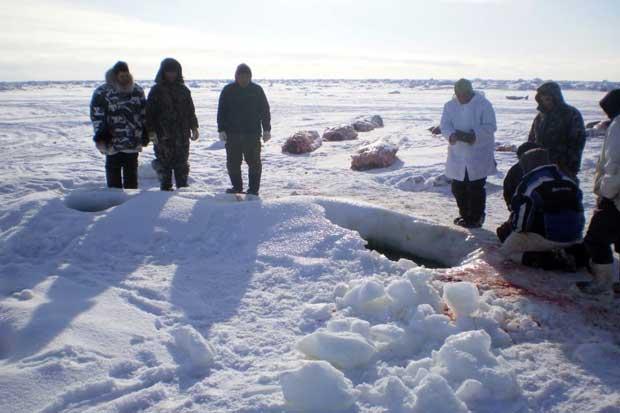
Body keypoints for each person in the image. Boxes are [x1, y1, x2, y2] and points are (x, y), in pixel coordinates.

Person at [500, 148, 585, 271]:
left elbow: (521, 226)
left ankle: (551, 259)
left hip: (548, 238)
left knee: (506, 251)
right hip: (575, 236)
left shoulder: (530, 182)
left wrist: (511, 228)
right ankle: (573, 252)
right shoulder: (568, 179)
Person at [440, 78, 497, 228]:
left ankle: (476, 217)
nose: (461, 97)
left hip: (478, 153)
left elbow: (490, 126)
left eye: (464, 94)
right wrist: (451, 135)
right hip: (457, 153)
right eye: (458, 94)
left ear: (470, 92)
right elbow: (444, 125)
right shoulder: (449, 106)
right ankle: (465, 215)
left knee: (475, 187)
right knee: (458, 187)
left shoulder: (483, 104)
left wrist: (473, 135)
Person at [579, 89, 620, 295]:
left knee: (596, 239)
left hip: (615, 196)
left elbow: (614, 165)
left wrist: (606, 192)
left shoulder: (619, 125)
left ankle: (602, 284)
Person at [90, 61, 147, 189]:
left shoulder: (137, 90)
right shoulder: (102, 92)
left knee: (131, 175)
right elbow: (96, 116)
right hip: (111, 142)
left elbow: (144, 113)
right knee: (113, 174)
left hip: (132, 141)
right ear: (115, 76)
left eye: (126, 75)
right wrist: (100, 135)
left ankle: (131, 203)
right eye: (121, 76)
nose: (124, 78)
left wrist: (146, 132)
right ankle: (114, 203)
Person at [217, 63, 271, 196]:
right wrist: (221, 129)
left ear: (250, 77)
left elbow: (265, 111)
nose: (243, 79)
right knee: (233, 163)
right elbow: (221, 111)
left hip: (252, 135)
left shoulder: (257, 90)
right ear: (236, 76)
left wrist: (266, 129)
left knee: (254, 163)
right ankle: (237, 187)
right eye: (241, 76)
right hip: (232, 134)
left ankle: (253, 190)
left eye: (246, 76)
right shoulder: (228, 90)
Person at [145, 58, 199, 191]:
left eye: (174, 72)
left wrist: (194, 127)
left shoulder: (184, 90)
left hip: (182, 135)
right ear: (163, 72)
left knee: (182, 165)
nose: (171, 74)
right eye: (168, 71)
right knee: (164, 166)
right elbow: (149, 114)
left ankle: (183, 191)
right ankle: (165, 190)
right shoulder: (156, 90)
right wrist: (150, 132)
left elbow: (190, 110)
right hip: (163, 136)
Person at [528, 81, 586, 179]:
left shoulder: (571, 114)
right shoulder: (540, 117)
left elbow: (578, 142)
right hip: (541, 167)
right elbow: (532, 140)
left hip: (564, 167)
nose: (546, 101)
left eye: (548, 98)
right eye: (542, 98)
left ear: (555, 97)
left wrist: (571, 165)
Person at [496, 141, 542, 242]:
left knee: (505, 234)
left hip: (532, 223)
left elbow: (510, 194)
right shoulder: (554, 170)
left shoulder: (518, 171)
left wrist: (513, 209)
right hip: (566, 232)